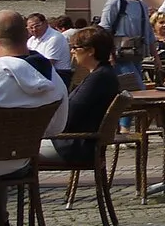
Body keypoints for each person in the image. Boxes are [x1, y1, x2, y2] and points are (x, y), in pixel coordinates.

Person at [0, 7, 69, 226]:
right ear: (28, 36)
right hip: (20, 162)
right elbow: (57, 127)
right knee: (0, 152)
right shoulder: (52, 78)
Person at [48, 25, 123, 163]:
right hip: (83, 143)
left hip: (75, 146)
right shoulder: (104, 74)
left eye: (75, 48)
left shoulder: (98, 79)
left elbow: (68, 116)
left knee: (23, 149)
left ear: (91, 51)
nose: (72, 52)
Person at [97, 0, 154, 88]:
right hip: (119, 55)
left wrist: (156, 58)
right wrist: (109, 54)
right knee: (137, 87)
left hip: (136, 54)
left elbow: (149, 33)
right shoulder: (115, 2)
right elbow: (104, 29)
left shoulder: (141, 5)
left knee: (134, 89)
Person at [25, 12, 71, 81]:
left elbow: (48, 63)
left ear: (45, 23)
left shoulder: (55, 38)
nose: (34, 29)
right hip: (39, 73)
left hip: (58, 74)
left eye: (37, 26)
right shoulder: (31, 40)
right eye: (31, 28)